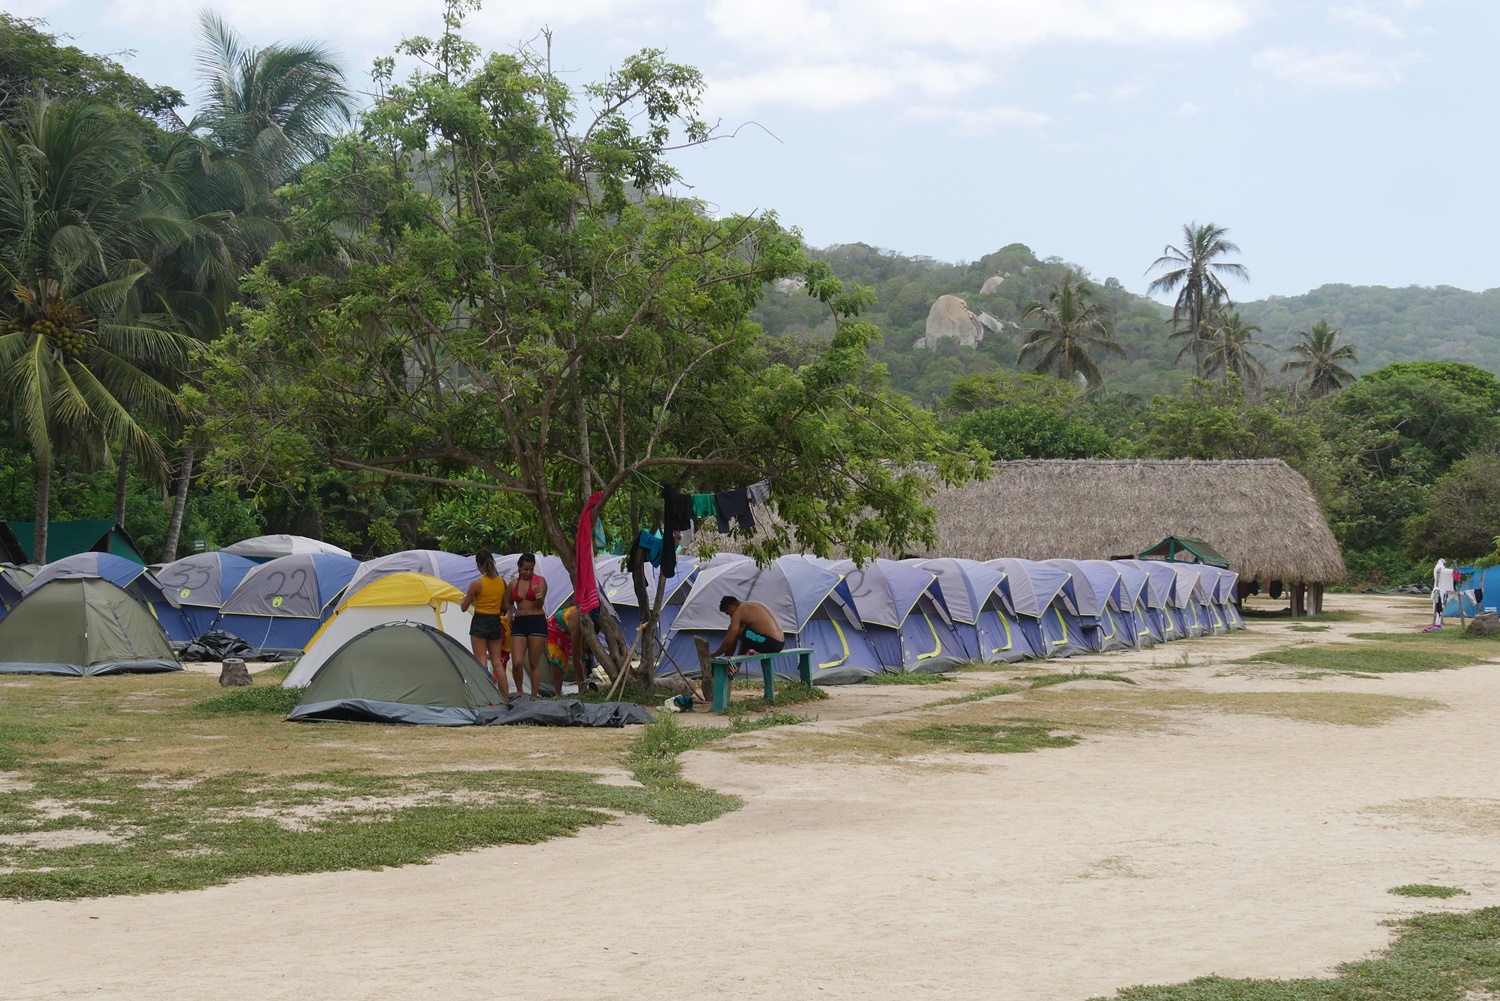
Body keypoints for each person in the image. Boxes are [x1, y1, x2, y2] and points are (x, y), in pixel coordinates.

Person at [460, 550, 511, 700]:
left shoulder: (477, 584)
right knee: (497, 661)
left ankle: (484, 697)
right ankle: (505, 697)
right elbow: (505, 606)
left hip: (480, 621)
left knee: (481, 659)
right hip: (495, 621)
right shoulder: (501, 582)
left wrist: (467, 598)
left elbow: (464, 607)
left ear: (479, 565)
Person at [503, 553, 549, 698]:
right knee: (517, 661)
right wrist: (510, 614)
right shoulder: (513, 584)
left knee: (534, 662)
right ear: (519, 568)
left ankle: (534, 695)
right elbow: (509, 601)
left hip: (537, 621)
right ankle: (519, 691)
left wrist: (537, 594)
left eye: (531, 569)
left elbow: (540, 604)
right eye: (525, 569)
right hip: (520, 622)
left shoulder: (540, 581)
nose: (528, 572)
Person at [712, 595, 786, 657]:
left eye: (728, 614)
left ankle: (727, 664)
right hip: (780, 643)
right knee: (745, 633)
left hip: (770, 643)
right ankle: (736, 666)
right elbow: (747, 640)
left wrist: (716, 654)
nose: (730, 617)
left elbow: (729, 640)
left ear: (730, 607)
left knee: (732, 629)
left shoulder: (739, 612)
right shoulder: (754, 604)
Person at [546, 605, 596, 696]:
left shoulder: (595, 617)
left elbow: (581, 658)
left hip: (572, 625)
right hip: (556, 626)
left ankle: (581, 689)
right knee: (557, 658)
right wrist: (582, 684)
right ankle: (558, 693)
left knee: (584, 655)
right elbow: (576, 659)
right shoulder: (577, 625)